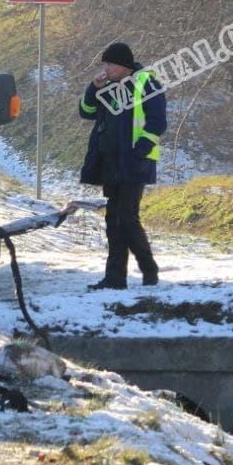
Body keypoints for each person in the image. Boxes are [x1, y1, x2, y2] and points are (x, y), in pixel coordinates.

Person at [78, 42, 166, 290]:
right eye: (105, 64)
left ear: (124, 66)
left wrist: (139, 152)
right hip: (110, 163)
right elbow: (87, 112)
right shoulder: (107, 87)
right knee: (113, 221)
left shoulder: (146, 84)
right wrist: (93, 88)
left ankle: (149, 270)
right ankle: (115, 278)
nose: (106, 69)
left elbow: (157, 123)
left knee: (127, 218)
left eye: (110, 64)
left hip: (134, 164)